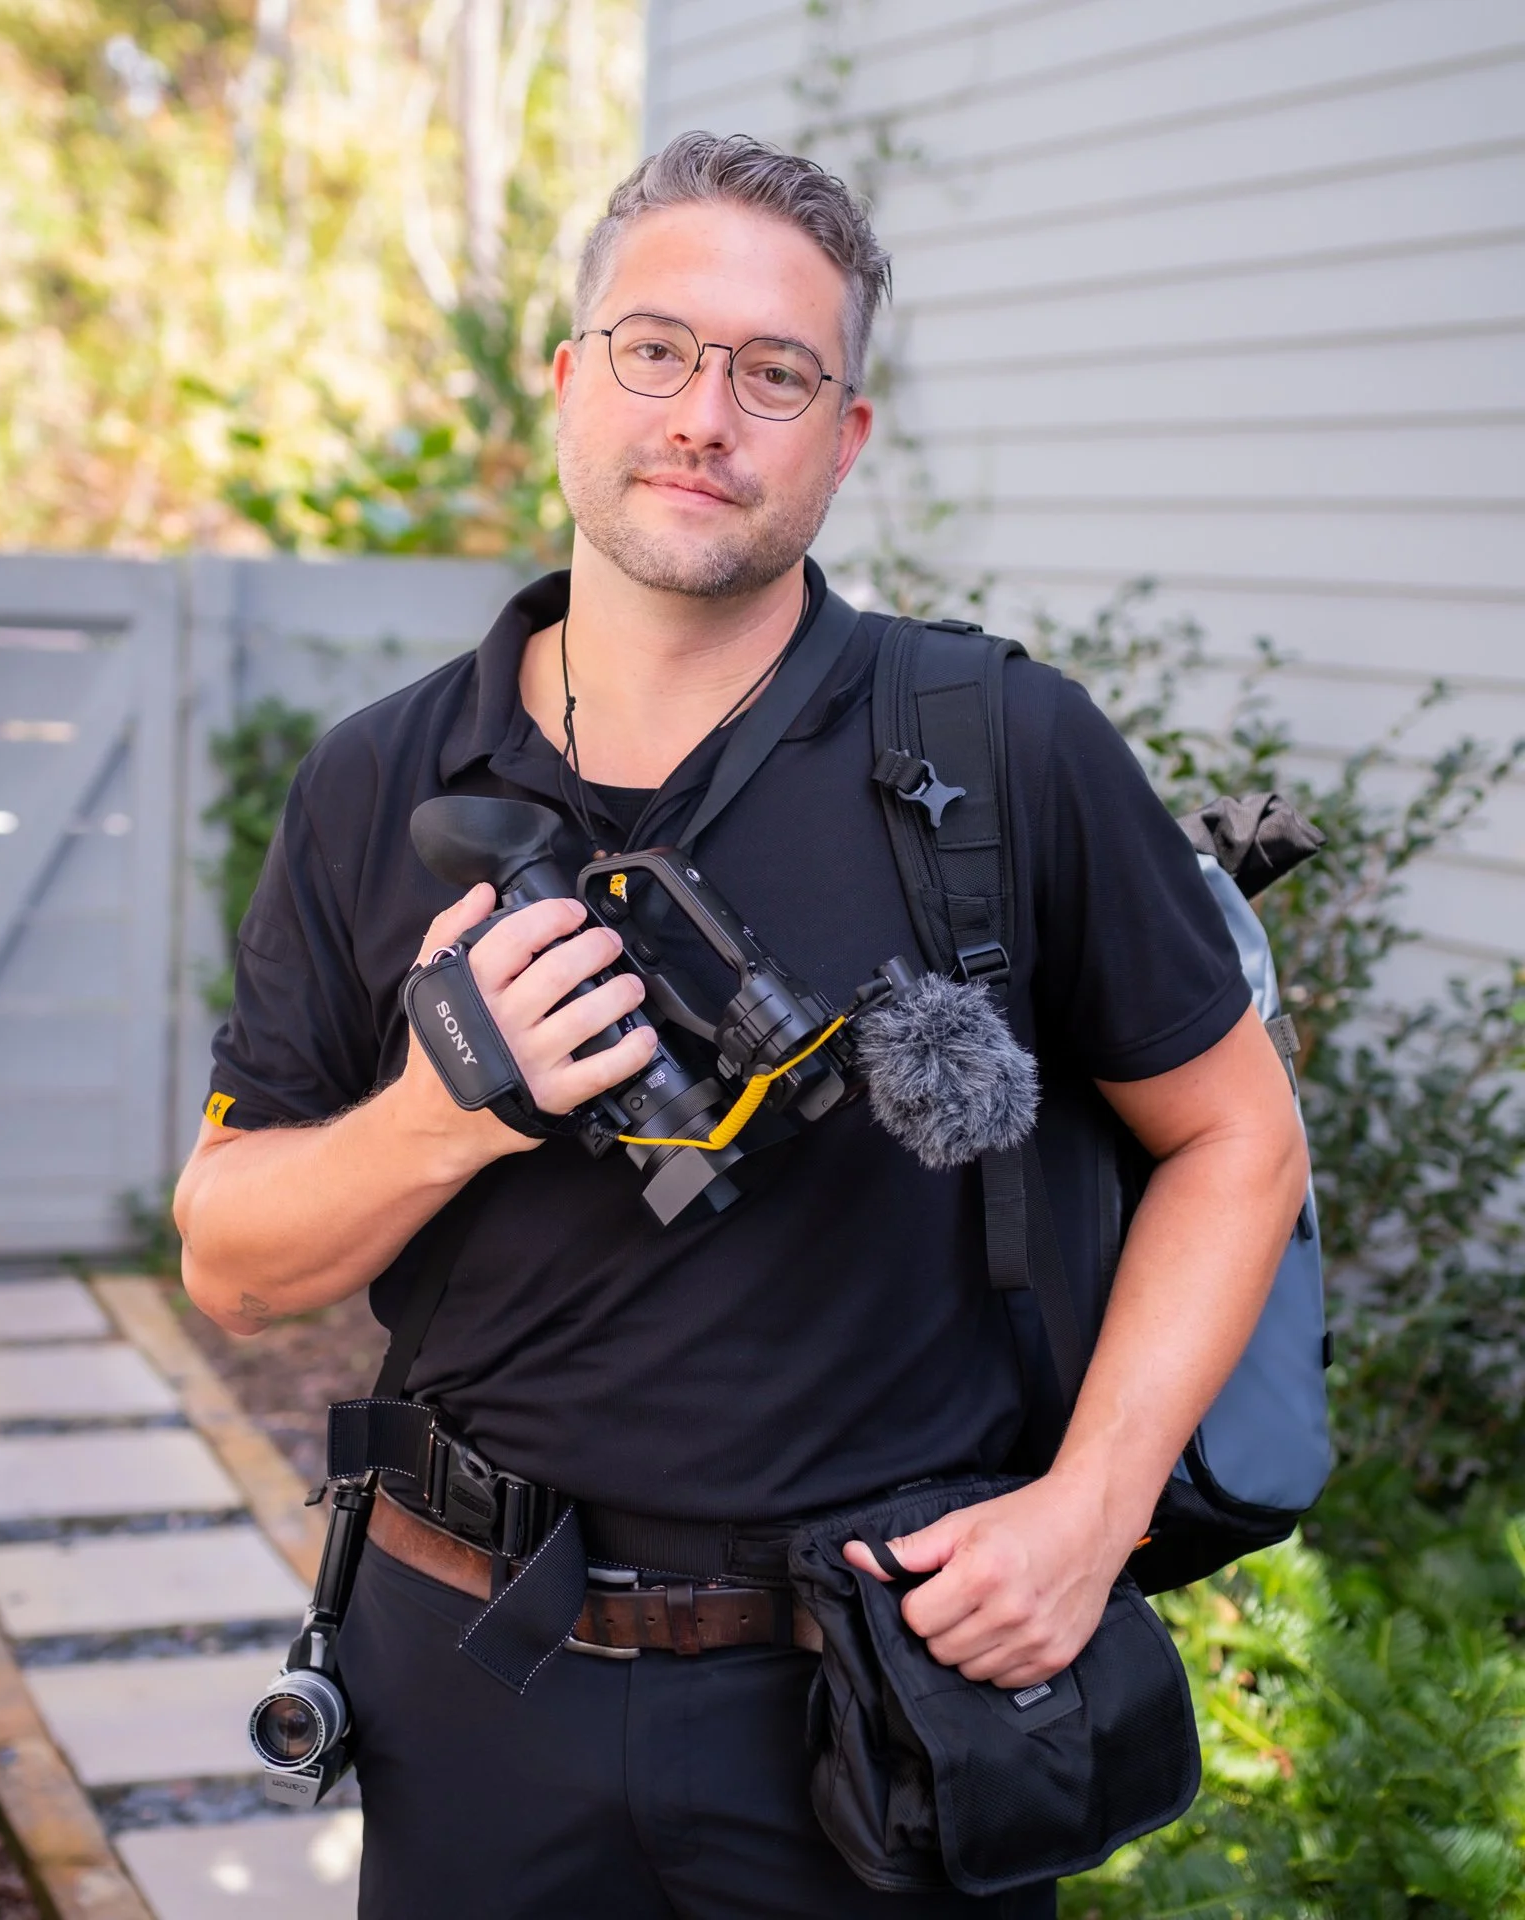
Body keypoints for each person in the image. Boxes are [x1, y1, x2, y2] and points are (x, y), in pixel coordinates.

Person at [174, 132, 1308, 1919]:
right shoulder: (377, 779)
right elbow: (230, 1263)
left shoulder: (996, 749)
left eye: (774, 372)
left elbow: (1235, 1140)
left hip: (882, 1704)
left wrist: (1090, 1513)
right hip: (469, 1684)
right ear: (567, 382)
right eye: (656, 348)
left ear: (841, 438)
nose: (706, 412)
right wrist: (445, 1108)